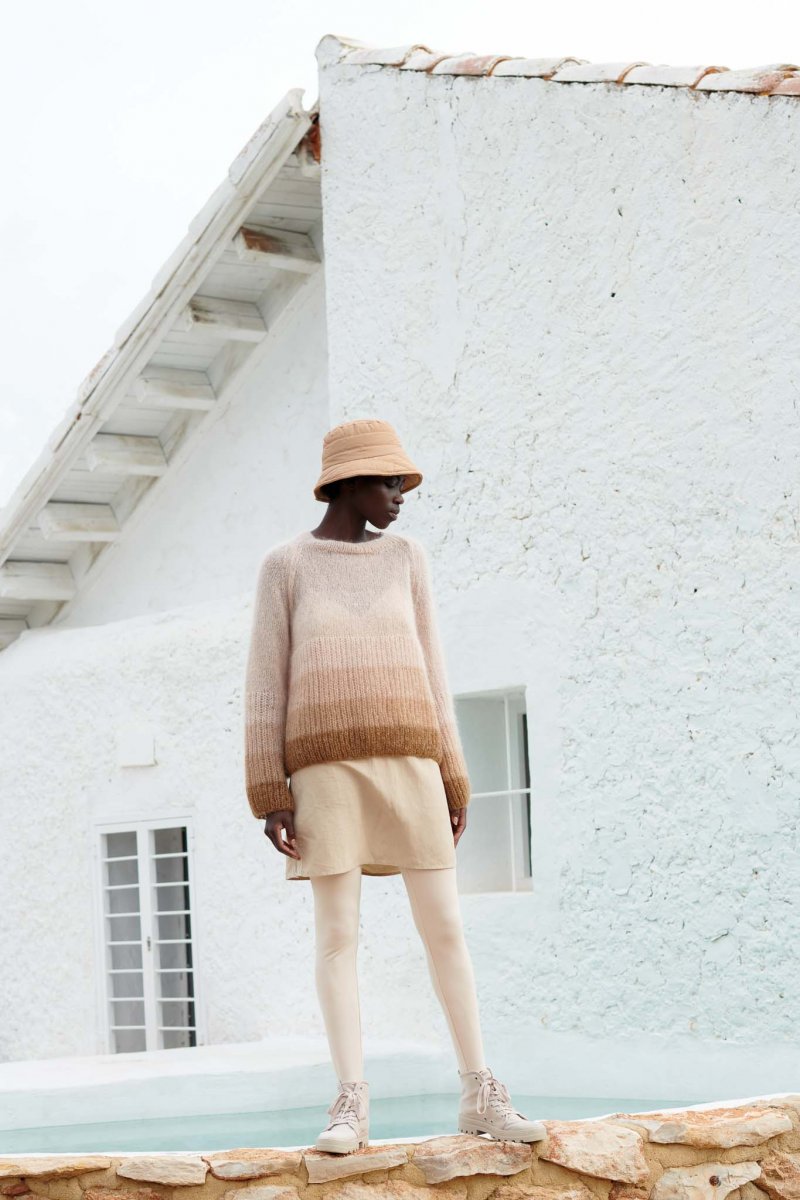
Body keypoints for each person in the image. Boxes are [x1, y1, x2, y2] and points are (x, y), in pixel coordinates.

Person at [243, 417, 545, 1154]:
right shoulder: (286, 566)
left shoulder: (409, 558)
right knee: (337, 936)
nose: (401, 495)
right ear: (348, 484)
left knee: (445, 929)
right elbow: (264, 682)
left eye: (402, 482)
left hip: (412, 763)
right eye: (388, 481)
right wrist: (269, 789)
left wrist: (455, 775)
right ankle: (350, 1103)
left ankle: (480, 1092)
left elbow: (434, 671)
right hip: (324, 771)